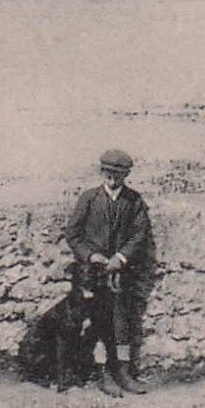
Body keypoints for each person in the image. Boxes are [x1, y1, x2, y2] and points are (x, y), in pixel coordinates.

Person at [64, 149, 155, 395]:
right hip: (91, 274)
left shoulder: (134, 201)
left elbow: (140, 234)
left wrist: (121, 257)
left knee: (122, 322)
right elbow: (73, 234)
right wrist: (91, 256)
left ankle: (123, 371)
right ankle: (102, 372)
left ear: (126, 175)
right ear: (101, 172)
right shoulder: (89, 199)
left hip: (121, 274)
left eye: (118, 174)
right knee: (96, 322)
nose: (112, 178)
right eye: (108, 172)